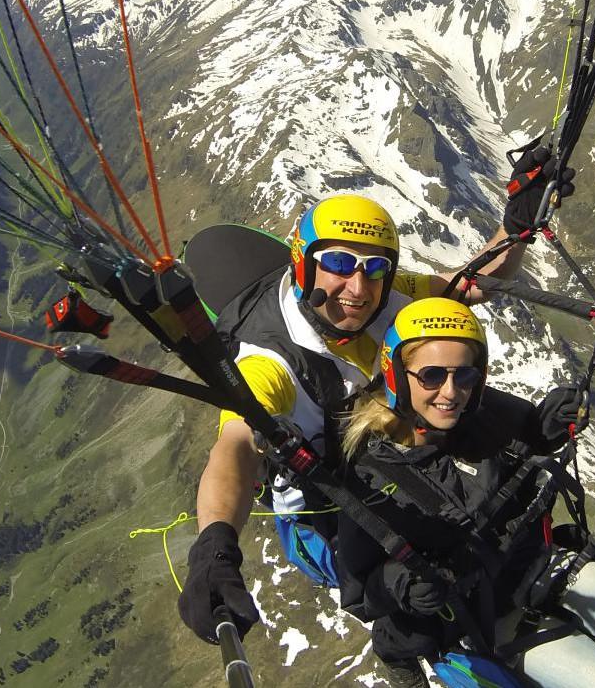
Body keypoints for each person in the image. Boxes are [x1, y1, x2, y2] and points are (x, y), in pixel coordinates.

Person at [178, 179, 555, 644]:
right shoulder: (270, 363)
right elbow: (236, 445)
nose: (357, 288)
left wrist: (515, 229)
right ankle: (409, 649)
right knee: (422, 595)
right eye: (338, 264)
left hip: (390, 450)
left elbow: (467, 286)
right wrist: (215, 547)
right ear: (303, 264)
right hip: (325, 506)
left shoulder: (385, 291)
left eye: (374, 267)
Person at [336, 297, 595, 688]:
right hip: (484, 613)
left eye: (465, 376)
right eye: (431, 376)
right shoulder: (372, 474)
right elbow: (358, 589)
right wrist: (402, 583)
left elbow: (528, 438)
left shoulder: (483, 415)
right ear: (398, 377)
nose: (451, 392)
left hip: (538, 561)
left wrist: (548, 427)